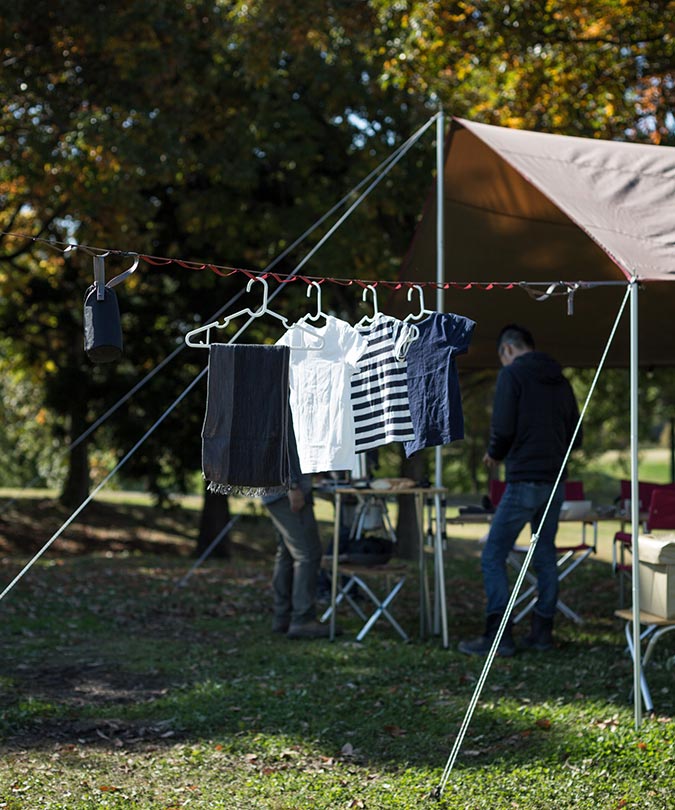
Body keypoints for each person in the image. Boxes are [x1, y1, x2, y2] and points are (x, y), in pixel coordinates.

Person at [458, 324, 581, 657]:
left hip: (524, 479)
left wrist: (494, 453)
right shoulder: (561, 381)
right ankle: (542, 633)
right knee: (545, 555)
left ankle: (498, 636)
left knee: (493, 554)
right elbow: (577, 435)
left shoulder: (511, 375)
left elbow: (503, 425)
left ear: (507, 350)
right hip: (555, 482)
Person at [261, 422, 329, 640]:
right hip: (285, 490)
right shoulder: (279, 403)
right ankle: (303, 619)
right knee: (308, 554)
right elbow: (276, 441)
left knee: (288, 554)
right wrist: (291, 485)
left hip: (278, 488)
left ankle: (283, 616)